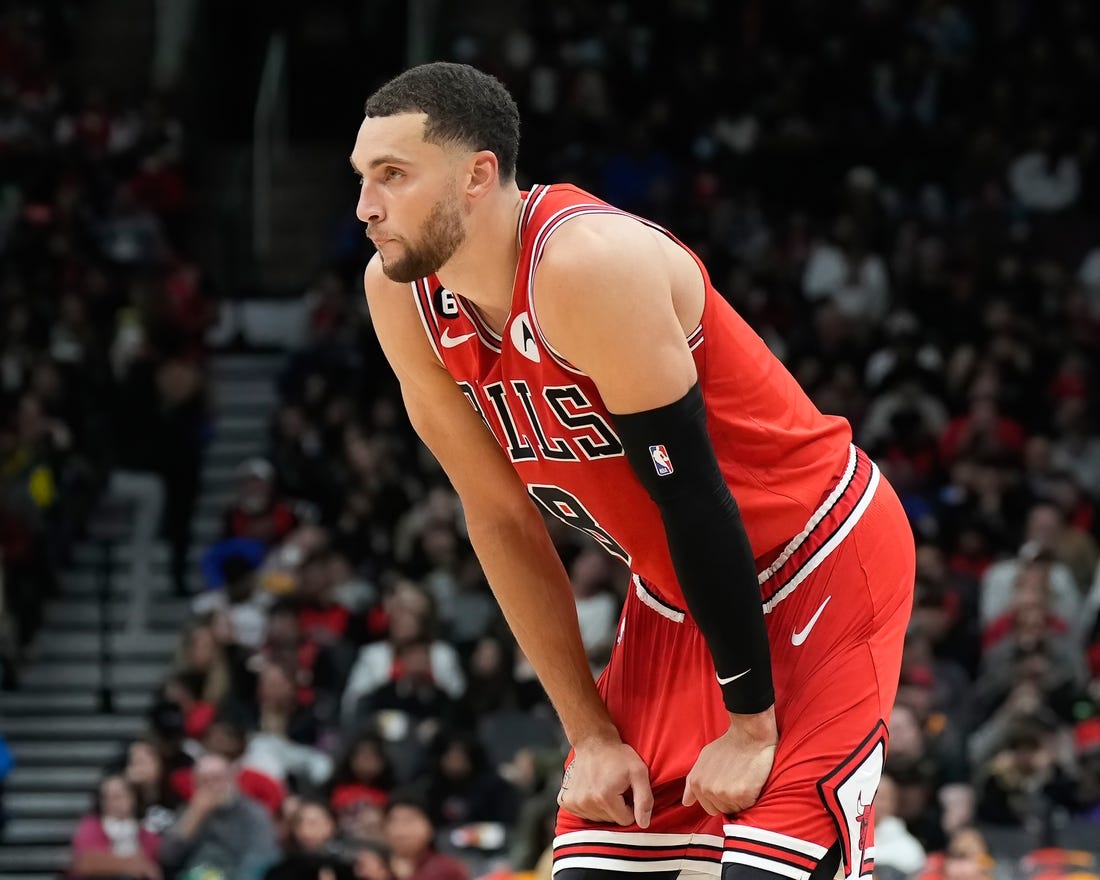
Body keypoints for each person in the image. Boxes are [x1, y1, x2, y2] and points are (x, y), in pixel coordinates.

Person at [353, 62, 915, 880]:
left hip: (816, 557)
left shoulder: (586, 264)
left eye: (393, 177)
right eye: (363, 179)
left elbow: (691, 494)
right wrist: (589, 732)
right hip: (680, 586)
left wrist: (752, 723)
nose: (367, 207)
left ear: (479, 174)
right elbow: (500, 517)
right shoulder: (398, 296)